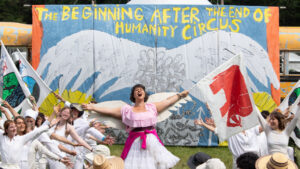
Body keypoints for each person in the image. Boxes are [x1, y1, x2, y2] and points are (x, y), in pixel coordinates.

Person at [82, 84, 189, 169]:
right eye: (136, 90)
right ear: (133, 95)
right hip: (135, 141)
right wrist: (92, 107)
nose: (139, 91)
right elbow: (108, 111)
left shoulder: (152, 107)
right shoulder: (127, 110)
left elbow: (168, 101)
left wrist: (180, 95)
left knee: (157, 163)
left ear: (144, 94)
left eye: (141, 89)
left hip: (152, 140)